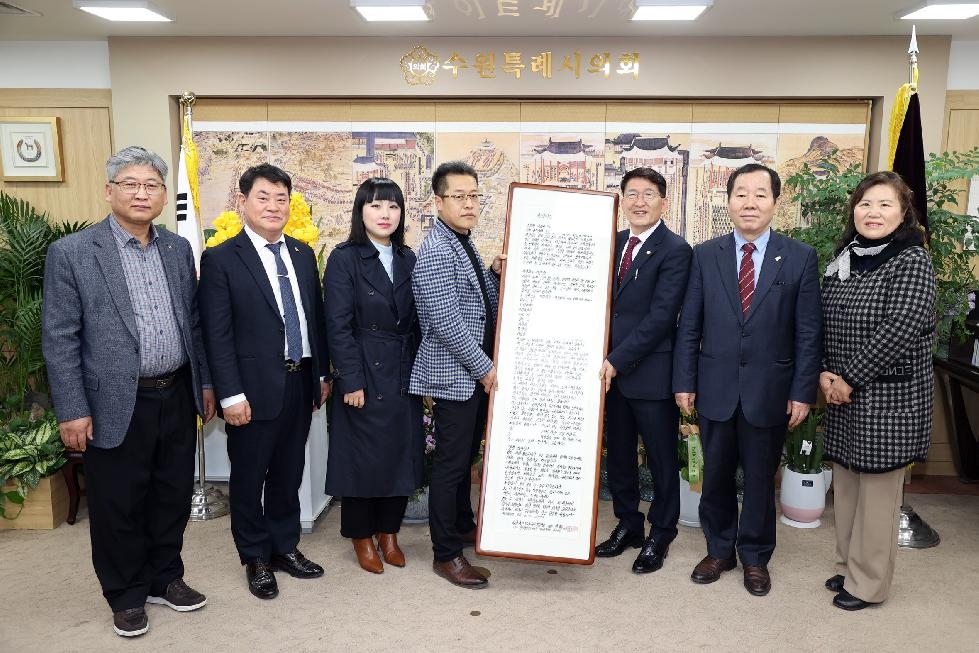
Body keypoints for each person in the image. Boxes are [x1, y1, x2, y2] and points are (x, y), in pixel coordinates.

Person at [42, 146, 215, 637]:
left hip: (176, 393)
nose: (142, 193)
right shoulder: (74, 253)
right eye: (131, 184)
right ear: (110, 191)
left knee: (170, 495)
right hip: (112, 401)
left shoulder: (178, 250)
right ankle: (125, 593)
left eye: (152, 186)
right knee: (118, 502)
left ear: (164, 195)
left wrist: (203, 382)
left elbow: (194, 324)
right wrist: (72, 409)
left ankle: (166, 578)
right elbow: (59, 337)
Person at [673, 163, 822, 597]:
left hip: (770, 392)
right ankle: (719, 550)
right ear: (729, 201)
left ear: (776, 202)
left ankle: (755, 557)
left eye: (760, 194)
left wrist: (802, 391)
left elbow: (808, 332)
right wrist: (685, 381)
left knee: (759, 480)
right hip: (715, 388)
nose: (750, 202)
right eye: (741, 193)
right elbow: (689, 327)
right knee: (715, 476)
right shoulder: (705, 255)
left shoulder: (799, 257)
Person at [198, 163, 330, 600]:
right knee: (249, 477)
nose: (274, 206)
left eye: (281, 199)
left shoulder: (301, 253)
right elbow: (216, 333)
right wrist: (231, 393)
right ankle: (254, 557)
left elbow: (314, 319)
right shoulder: (220, 258)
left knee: (289, 472)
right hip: (251, 392)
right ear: (242, 202)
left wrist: (322, 373)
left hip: (300, 382)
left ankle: (284, 548)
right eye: (264, 197)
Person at [819, 171, 935, 611]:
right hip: (843, 396)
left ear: (903, 212)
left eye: (885, 204)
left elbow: (900, 328)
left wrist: (848, 378)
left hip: (888, 398)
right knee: (847, 486)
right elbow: (826, 318)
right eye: (865, 204)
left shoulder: (911, 259)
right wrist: (826, 374)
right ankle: (851, 565)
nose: (873, 213)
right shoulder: (848, 255)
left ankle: (869, 584)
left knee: (879, 498)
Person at [410, 161, 504, 589]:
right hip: (456, 376)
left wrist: (495, 275)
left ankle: (463, 526)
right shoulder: (435, 249)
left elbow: (473, 299)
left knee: (465, 457)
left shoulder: (461, 241)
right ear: (438, 202)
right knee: (450, 467)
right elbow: (446, 321)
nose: (468, 204)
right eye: (458, 197)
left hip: (471, 375)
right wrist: (485, 368)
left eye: (473, 196)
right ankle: (445, 554)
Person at [324, 177, 423, 574]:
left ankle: (390, 534)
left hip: (403, 370)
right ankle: (362, 538)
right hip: (363, 369)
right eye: (377, 206)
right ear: (360, 211)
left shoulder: (408, 258)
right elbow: (338, 325)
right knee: (362, 461)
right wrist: (351, 380)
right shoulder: (344, 258)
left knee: (401, 455)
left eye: (394, 207)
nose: (386, 215)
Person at [596, 167, 692, 574]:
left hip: (648, 375)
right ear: (622, 200)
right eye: (631, 193)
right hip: (607, 377)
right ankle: (628, 524)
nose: (639, 201)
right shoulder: (611, 242)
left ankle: (661, 534)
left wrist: (616, 360)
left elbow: (660, 317)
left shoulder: (676, 249)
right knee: (618, 457)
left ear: (663, 202)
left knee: (660, 460)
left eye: (648, 194)